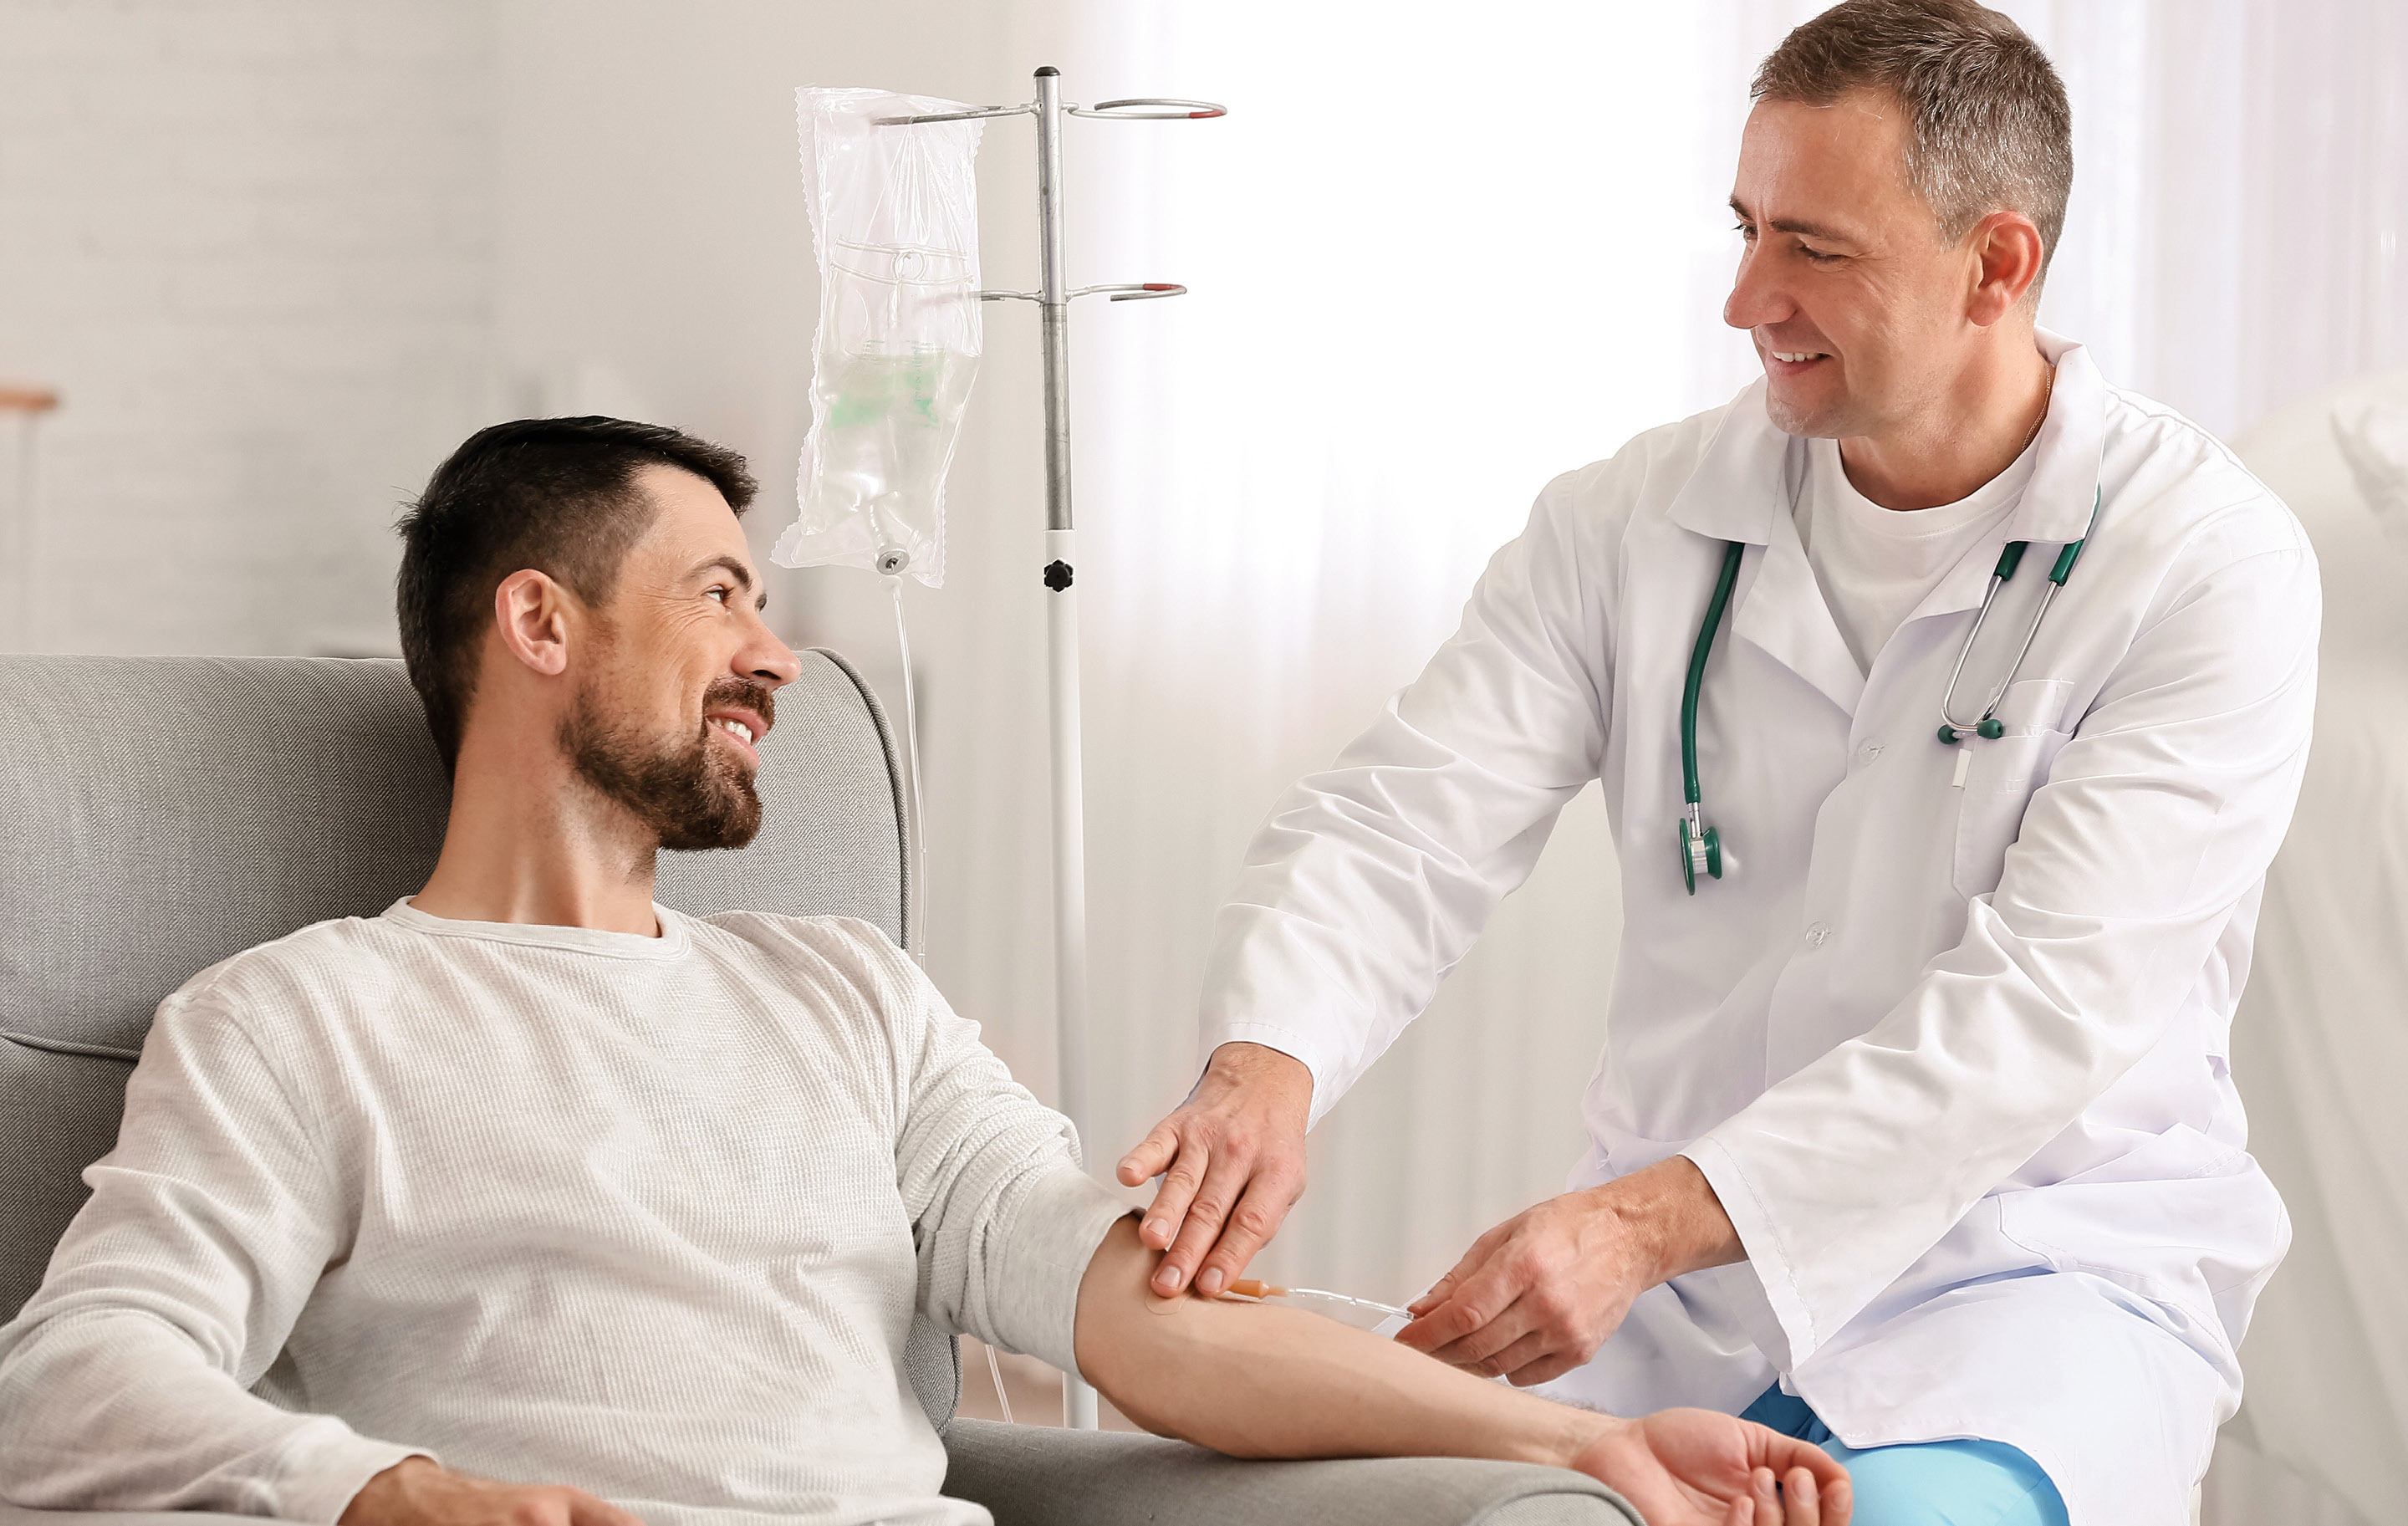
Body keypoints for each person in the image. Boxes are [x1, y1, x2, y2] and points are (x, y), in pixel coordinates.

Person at [0, 417, 1852, 1526]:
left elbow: (1156, 1321)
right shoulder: (299, 1018)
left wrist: (1596, 1444)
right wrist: (375, 1489)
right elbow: (80, 1377)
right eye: (720, 592)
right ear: (540, 621)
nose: (779, 655)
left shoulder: (847, 994)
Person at [1118, 3, 2318, 1523]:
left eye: (1814, 246)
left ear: (1996, 265)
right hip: (1671, 1317)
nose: (1749, 296)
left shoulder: (2203, 565)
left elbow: (2046, 1013)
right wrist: (1266, 1056)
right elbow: (1409, 812)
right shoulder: (1634, 518)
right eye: (1745, 227)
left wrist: (1634, 1224)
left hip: (2026, 1282)